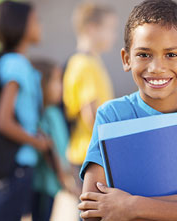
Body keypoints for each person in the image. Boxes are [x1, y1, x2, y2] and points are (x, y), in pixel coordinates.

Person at [78, 0, 177, 220]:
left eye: (171, 54)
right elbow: (92, 211)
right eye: (144, 54)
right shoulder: (112, 116)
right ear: (126, 59)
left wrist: (130, 206)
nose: (157, 67)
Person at [0, 1, 51, 220]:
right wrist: (37, 142)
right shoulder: (16, 64)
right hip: (17, 164)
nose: (40, 25)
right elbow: (2, 121)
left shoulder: (17, 62)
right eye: (35, 21)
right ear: (21, 25)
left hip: (19, 164)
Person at [63, 1, 118, 194]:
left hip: (88, 151)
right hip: (90, 153)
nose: (114, 35)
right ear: (91, 29)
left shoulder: (91, 60)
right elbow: (90, 115)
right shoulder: (85, 64)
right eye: (110, 28)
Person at [31, 58, 78, 221]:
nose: (62, 88)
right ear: (42, 85)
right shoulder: (48, 115)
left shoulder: (52, 113)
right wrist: (65, 179)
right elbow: (51, 149)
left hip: (50, 184)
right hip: (44, 184)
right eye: (57, 82)